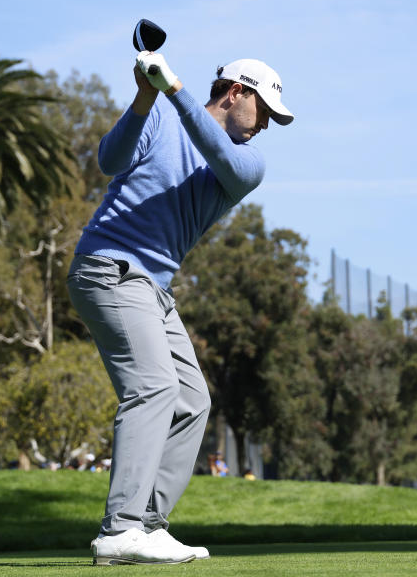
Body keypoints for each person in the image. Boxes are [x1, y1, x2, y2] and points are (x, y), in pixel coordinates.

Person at [67, 50, 293, 566]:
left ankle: (147, 524)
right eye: (264, 111)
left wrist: (172, 89)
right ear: (235, 92)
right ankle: (120, 528)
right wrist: (146, 97)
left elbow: (218, 151)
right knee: (153, 387)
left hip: (152, 288)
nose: (265, 127)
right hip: (108, 268)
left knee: (192, 401)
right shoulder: (160, 120)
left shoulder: (246, 162)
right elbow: (108, 161)